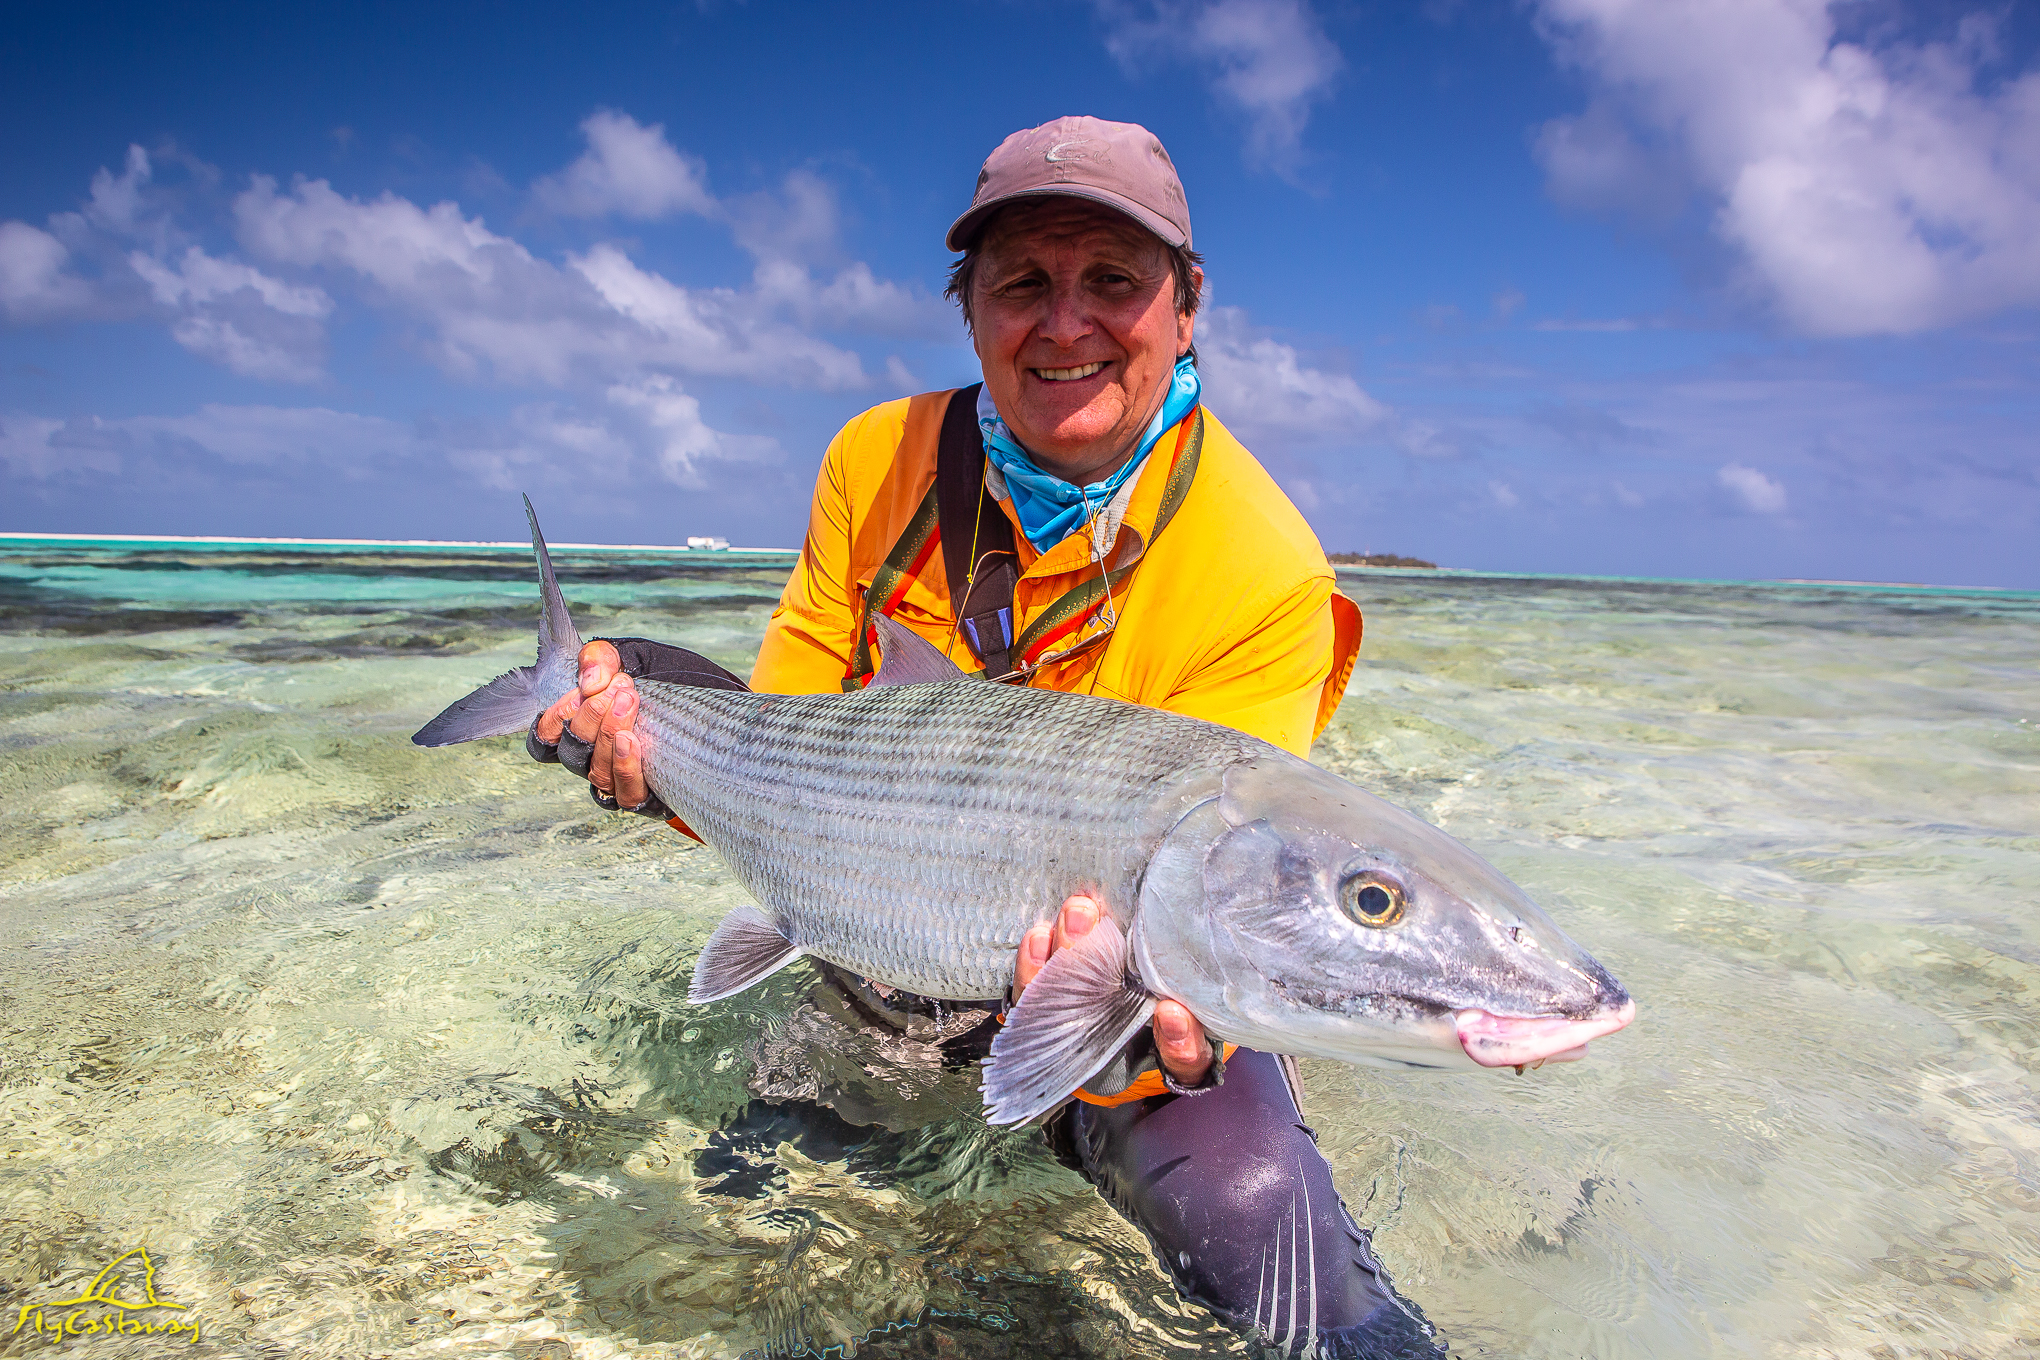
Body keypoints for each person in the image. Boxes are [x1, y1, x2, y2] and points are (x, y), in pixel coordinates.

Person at [531, 116, 1443, 1358]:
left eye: (1115, 281)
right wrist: (638, 737)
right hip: (875, 947)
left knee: (1272, 1235)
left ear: (1187, 309)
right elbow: (782, 746)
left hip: (1118, 1008)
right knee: (735, 1217)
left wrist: (1141, 1009)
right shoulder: (876, 459)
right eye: (1024, 283)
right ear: (971, 312)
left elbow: (1226, 898)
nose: (1066, 324)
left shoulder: (1265, 570)